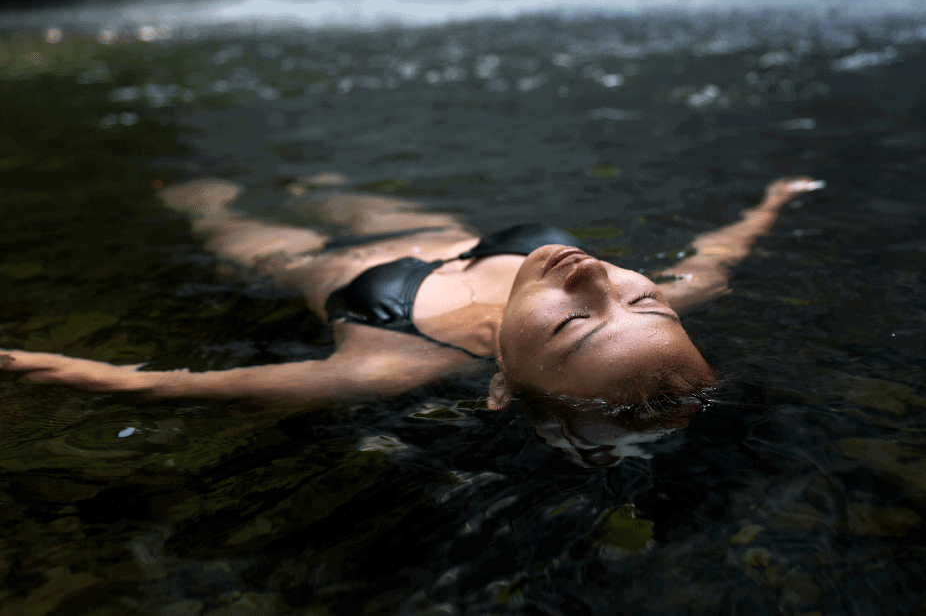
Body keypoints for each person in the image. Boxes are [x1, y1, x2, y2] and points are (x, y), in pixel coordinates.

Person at [0, 175, 823, 465]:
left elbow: (187, 389)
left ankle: (196, 197)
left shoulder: (389, 363)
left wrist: (29, 364)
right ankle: (319, 177)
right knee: (334, 182)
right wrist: (774, 200)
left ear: (505, 381)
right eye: (643, 298)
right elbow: (722, 255)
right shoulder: (648, 297)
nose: (596, 280)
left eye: (575, 325)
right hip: (420, 224)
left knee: (221, 219)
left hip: (318, 265)